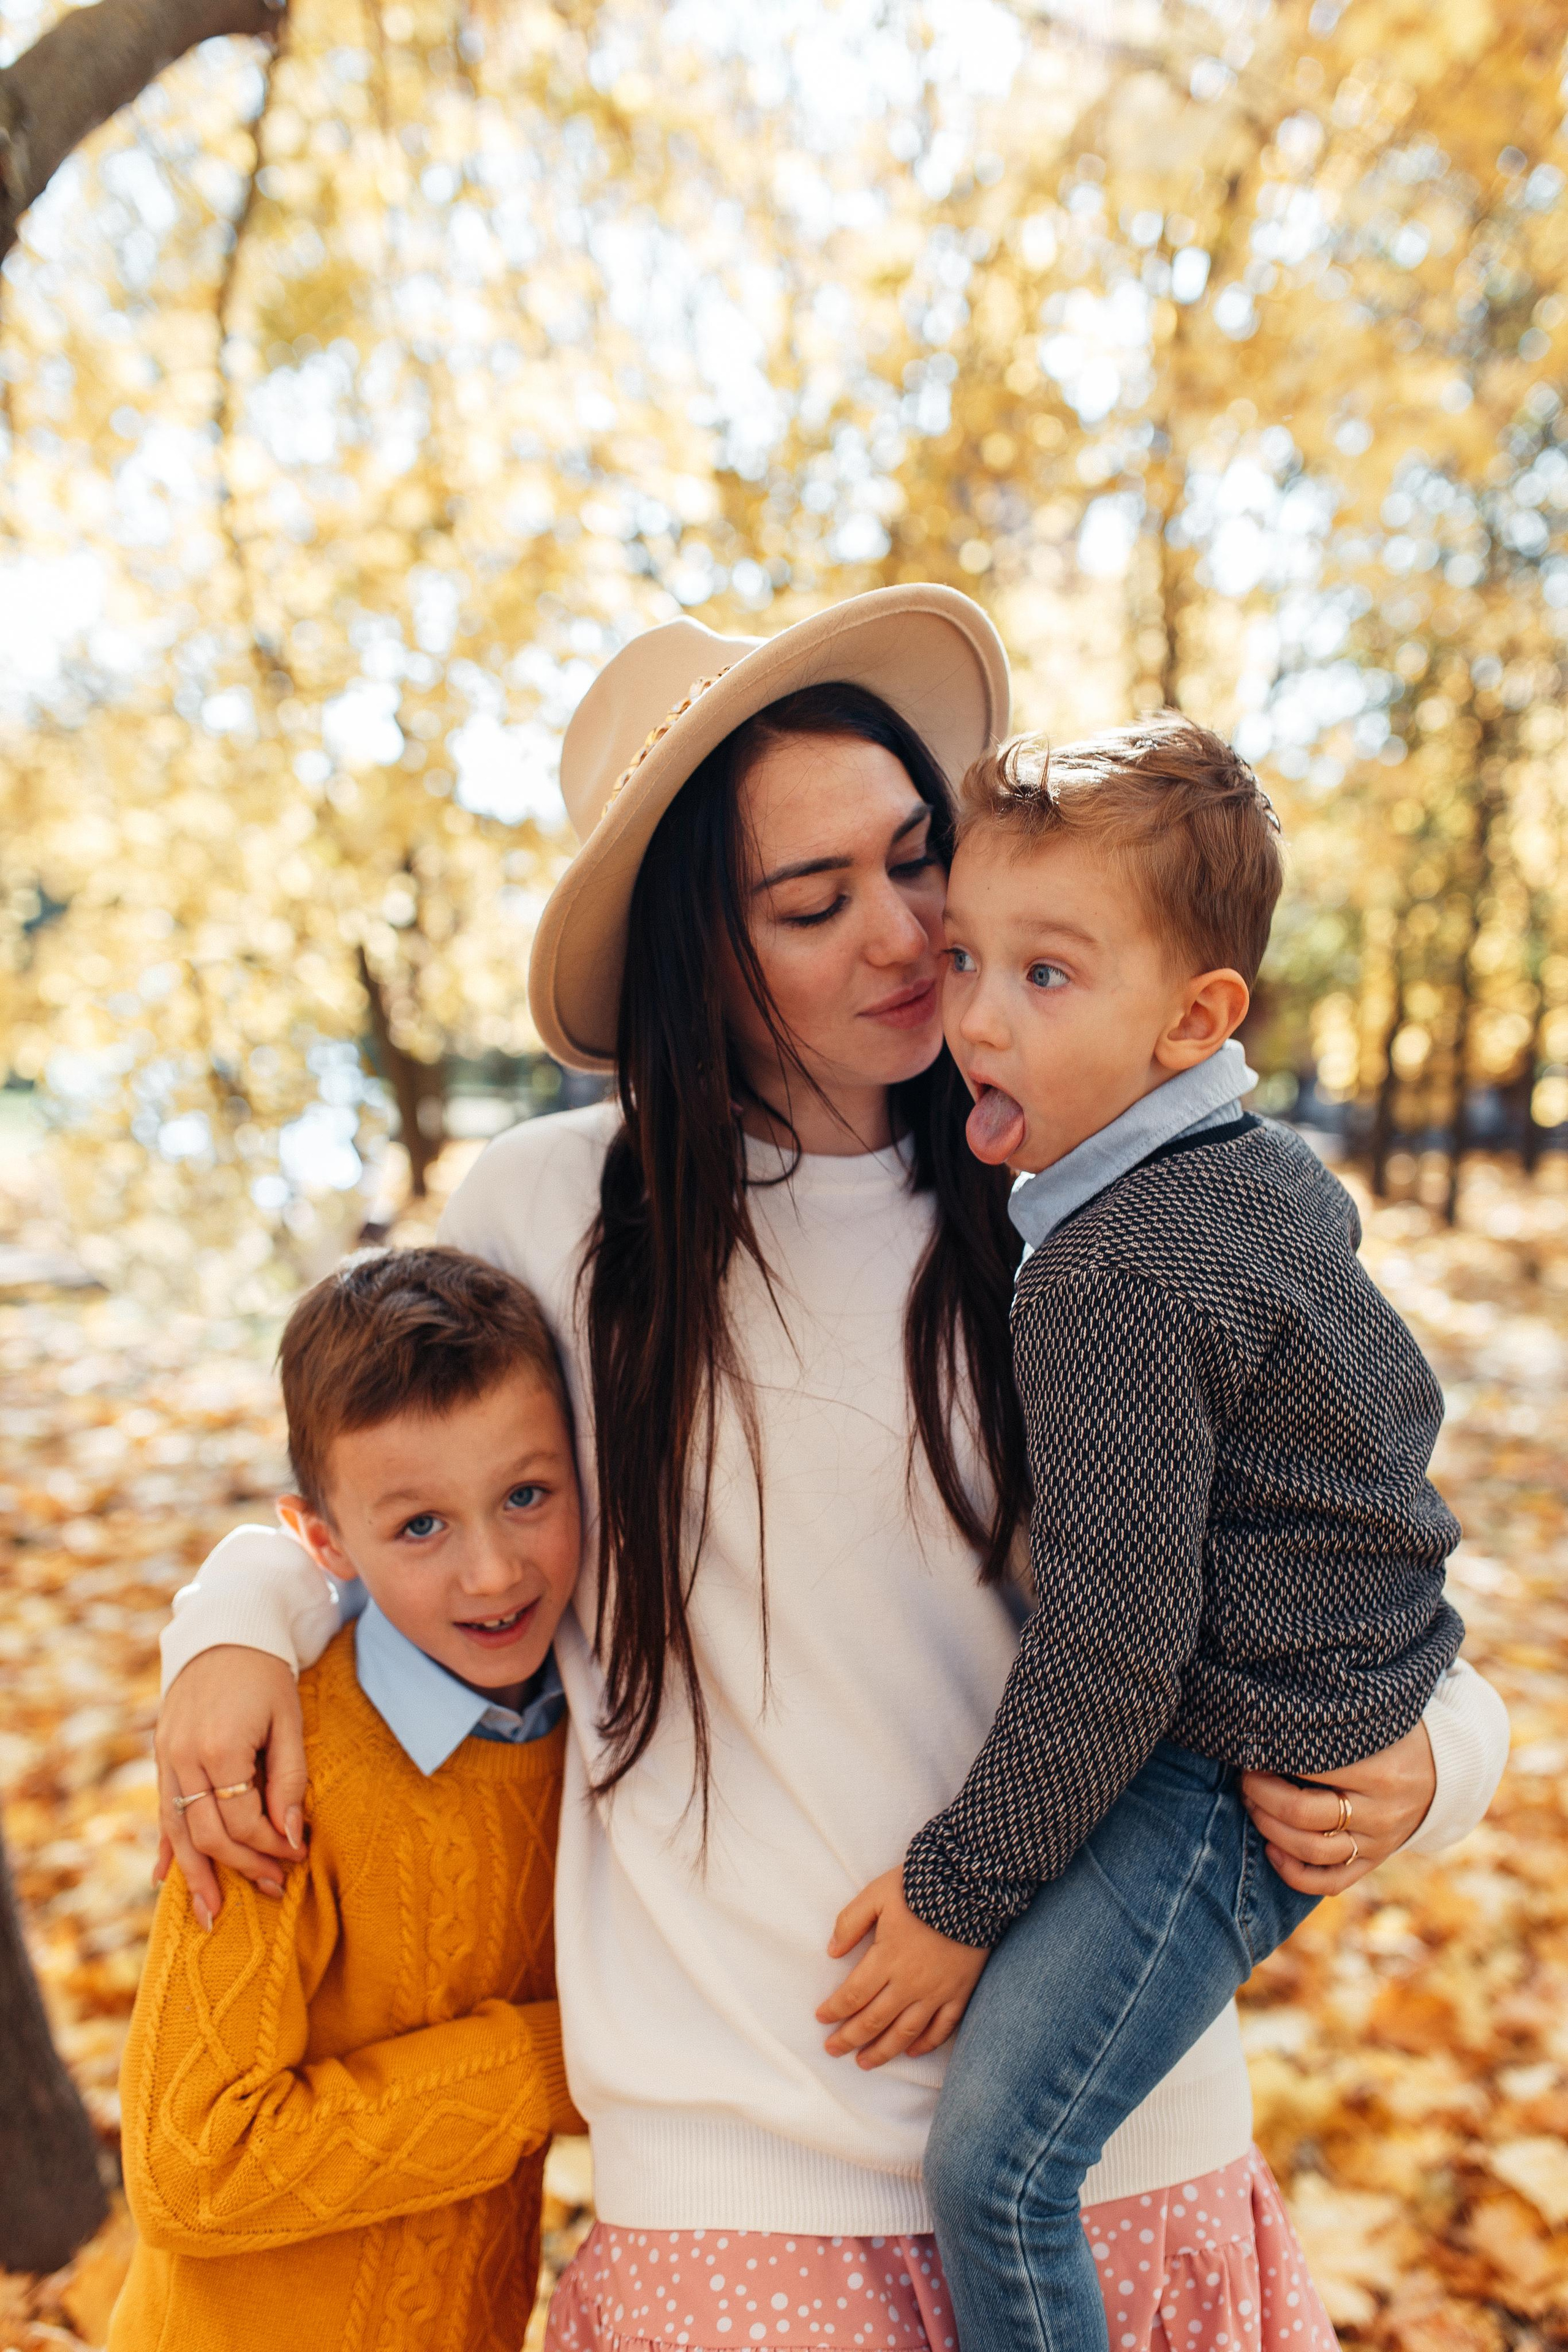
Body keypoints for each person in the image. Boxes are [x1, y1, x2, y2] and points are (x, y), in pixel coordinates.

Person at [149, 587, 1509, 2352]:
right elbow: (394, 1490)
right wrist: (236, 1621)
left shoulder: (1111, 1191)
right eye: (815, 901)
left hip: (1115, 2160)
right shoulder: (554, 1212)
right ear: (696, 956)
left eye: (917, 858)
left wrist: (1437, 1764)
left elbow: (1360, 1547)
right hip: (743, 2185)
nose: (906, 930)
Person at [815, 718, 1470, 2352]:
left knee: (998, 2166)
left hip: (1222, 1767)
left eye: (1048, 976)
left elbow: (1114, 1652)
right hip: (1303, 1696)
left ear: (1197, 1020)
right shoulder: (1260, 1167)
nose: (971, 1015)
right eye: (968, 955)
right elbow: (1389, 1415)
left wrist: (959, 1893)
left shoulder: (1112, 1263)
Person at [110, 1250, 584, 2352]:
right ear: (323, 1543)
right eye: (421, 1526)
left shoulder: (600, 1728)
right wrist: (537, 2068)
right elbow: (192, 2169)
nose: (493, 1574)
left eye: (526, 1496)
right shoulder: (275, 1770)